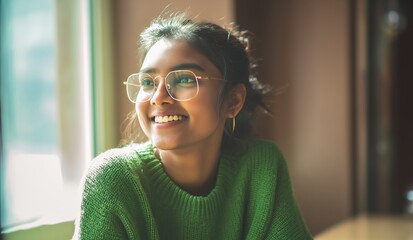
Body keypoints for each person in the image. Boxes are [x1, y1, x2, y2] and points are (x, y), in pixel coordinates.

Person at [73, 13, 313, 240]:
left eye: (184, 79)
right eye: (148, 82)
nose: (158, 97)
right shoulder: (113, 179)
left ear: (233, 101)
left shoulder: (262, 168)